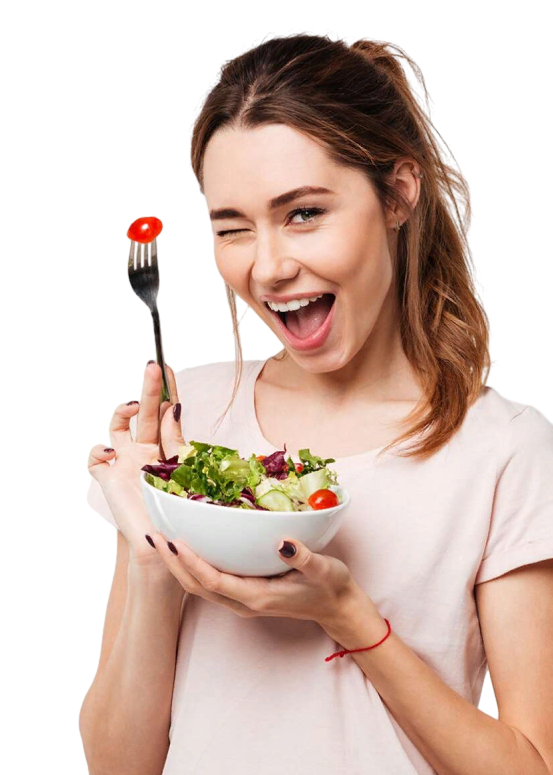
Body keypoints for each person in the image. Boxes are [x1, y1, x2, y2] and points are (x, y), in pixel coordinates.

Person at [81, 32, 553, 775]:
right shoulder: (183, 419)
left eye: (303, 213)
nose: (266, 267)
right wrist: (153, 540)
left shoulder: (504, 447)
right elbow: (116, 764)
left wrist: (348, 616)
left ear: (398, 193)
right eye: (231, 227)